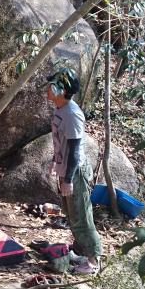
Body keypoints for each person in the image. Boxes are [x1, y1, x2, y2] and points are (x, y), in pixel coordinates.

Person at [45, 67, 102, 275]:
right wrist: (55, 161)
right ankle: (81, 251)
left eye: (52, 86)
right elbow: (61, 142)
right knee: (71, 215)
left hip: (75, 172)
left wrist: (68, 178)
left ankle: (93, 261)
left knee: (82, 216)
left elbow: (76, 150)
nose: (48, 89)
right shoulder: (60, 109)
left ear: (61, 90)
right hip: (65, 169)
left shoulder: (72, 114)